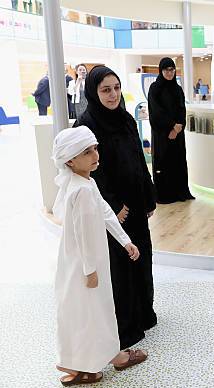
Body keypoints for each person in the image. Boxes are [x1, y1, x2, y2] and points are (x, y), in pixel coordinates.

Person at [51, 126, 148, 386]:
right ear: (70, 159)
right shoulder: (81, 190)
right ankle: (99, 361)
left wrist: (125, 240)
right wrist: (90, 270)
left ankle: (85, 364)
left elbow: (105, 212)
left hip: (85, 263)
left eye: (95, 148)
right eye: (87, 151)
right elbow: (82, 234)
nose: (95, 154)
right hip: (86, 265)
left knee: (88, 312)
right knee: (94, 311)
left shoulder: (86, 182)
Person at [74, 65, 157, 350]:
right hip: (113, 211)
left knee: (142, 257)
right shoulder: (86, 126)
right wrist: (113, 206)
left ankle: (144, 314)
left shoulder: (125, 118)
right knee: (121, 266)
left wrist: (148, 197)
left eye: (116, 88)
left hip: (135, 203)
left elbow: (138, 158)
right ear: (93, 92)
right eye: (105, 90)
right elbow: (89, 172)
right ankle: (126, 326)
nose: (112, 95)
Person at [147, 57, 195, 203]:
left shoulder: (177, 88)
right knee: (163, 162)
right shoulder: (155, 88)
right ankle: (165, 195)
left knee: (178, 162)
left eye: (172, 69)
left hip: (178, 134)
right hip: (162, 134)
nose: (169, 72)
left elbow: (182, 109)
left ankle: (181, 192)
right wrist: (171, 126)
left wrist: (179, 126)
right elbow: (156, 111)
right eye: (166, 70)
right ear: (161, 71)